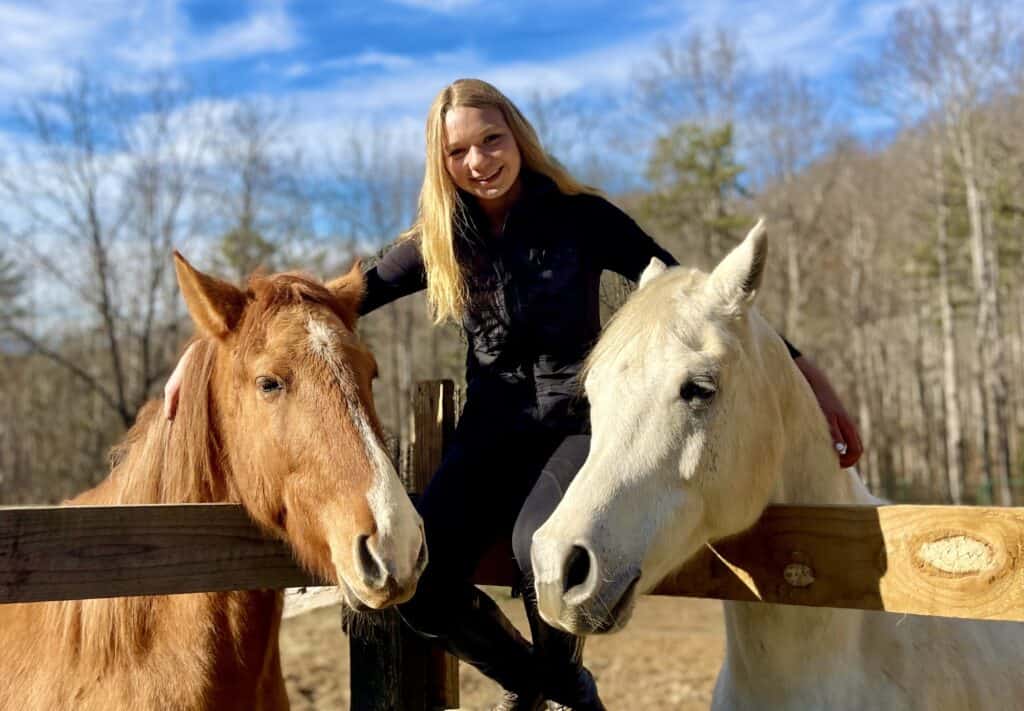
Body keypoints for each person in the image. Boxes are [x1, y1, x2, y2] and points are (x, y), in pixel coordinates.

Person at [164, 78, 862, 710]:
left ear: (517, 137)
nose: (478, 160)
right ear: (442, 164)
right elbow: (324, 306)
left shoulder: (582, 216)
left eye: (491, 140)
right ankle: (548, 683)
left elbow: (703, 294)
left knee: (537, 548)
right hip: (489, 434)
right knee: (423, 584)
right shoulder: (439, 240)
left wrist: (808, 372)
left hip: (575, 428)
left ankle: (558, 683)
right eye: (458, 151)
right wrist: (211, 346)